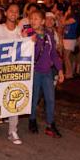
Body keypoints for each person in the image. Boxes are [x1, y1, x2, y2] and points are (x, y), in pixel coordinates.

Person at [28, 8, 64, 136]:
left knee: (50, 99)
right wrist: (30, 42)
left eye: (36, 19)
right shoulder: (29, 35)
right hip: (35, 72)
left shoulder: (49, 35)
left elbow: (54, 54)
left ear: (42, 21)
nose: (33, 21)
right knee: (34, 98)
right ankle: (32, 120)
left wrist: (60, 70)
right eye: (31, 19)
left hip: (47, 72)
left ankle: (50, 124)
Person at [0, 3, 24, 145]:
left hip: (14, 71)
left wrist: (30, 39)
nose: (13, 13)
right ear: (6, 13)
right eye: (11, 11)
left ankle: (12, 131)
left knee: (13, 98)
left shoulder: (21, 31)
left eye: (16, 12)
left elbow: (28, 46)